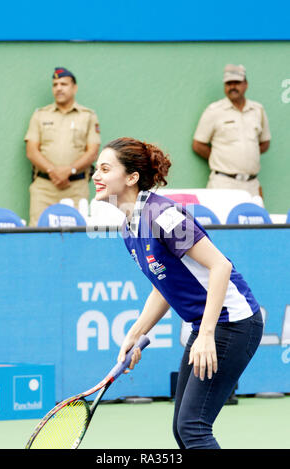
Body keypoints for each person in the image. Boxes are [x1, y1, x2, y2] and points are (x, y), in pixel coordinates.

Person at [92, 137, 264, 449]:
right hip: (209, 326)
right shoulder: (128, 227)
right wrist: (136, 331)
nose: (95, 176)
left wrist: (207, 334)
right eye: (96, 169)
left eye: (105, 169)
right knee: (183, 429)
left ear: (131, 178)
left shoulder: (164, 216)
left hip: (233, 324)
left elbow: (220, 267)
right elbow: (164, 286)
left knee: (193, 428)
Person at [24, 67, 101, 226]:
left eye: (63, 84)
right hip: (44, 188)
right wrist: (53, 171)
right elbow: (31, 151)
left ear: (74, 88)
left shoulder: (87, 116)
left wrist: (69, 170)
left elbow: (92, 152)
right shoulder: (40, 115)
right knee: (37, 233)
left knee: (76, 236)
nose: (58, 88)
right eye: (55, 84)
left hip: (75, 188)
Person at [192, 64, 271, 198]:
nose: (233, 87)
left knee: (256, 219)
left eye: (237, 83)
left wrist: (248, 153)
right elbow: (198, 145)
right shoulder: (214, 110)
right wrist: (220, 157)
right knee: (222, 219)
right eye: (229, 83)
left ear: (246, 84)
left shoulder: (258, 110)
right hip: (223, 183)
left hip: (252, 184)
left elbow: (265, 143)